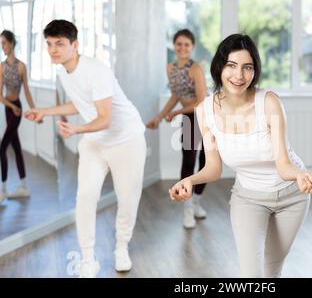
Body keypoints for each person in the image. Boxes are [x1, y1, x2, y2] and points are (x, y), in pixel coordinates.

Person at [169, 34, 312, 277]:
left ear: (255, 71)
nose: (239, 76)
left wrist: (301, 174)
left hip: (292, 196)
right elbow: (213, 169)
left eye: (247, 67)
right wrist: (189, 180)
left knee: (272, 269)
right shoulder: (205, 110)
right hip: (248, 198)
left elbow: (283, 164)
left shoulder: (269, 102)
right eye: (231, 66)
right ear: (219, 67)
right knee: (251, 274)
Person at [25, 20, 147, 277]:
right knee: (85, 197)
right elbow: (79, 104)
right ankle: (88, 258)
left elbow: (105, 118)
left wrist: (77, 130)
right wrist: (44, 111)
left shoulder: (96, 70)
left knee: (127, 199)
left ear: (75, 45)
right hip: (96, 141)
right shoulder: (62, 71)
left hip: (126, 140)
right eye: (49, 44)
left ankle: (121, 248)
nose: (53, 50)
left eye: (59, 44)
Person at [147, 29, 208, 229]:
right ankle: (187, 207)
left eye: (187, 45)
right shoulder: (170, 68)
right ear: (174, 46)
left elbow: (201, 102)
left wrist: (176, 113)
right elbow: (175, 96)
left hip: (206, 116)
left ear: (192, 47)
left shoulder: (196, 68)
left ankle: (197, 200)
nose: (182, 48)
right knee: (188, 160)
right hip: (189, 116)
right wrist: (159, 116)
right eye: (179, 44)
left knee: (206, 163)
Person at [0, 30, 37, 203]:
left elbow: (27, 92)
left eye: (4, 43)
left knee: (2, 147)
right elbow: (0, 95)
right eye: (1, 44)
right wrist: (11, 106)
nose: (2, 46)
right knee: (15, 146)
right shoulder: (1, 66)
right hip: (9, 109)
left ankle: (3, 189)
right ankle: (24, 186)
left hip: (18, 111)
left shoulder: (22, 66)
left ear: (12, 43)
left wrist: (36, 110)